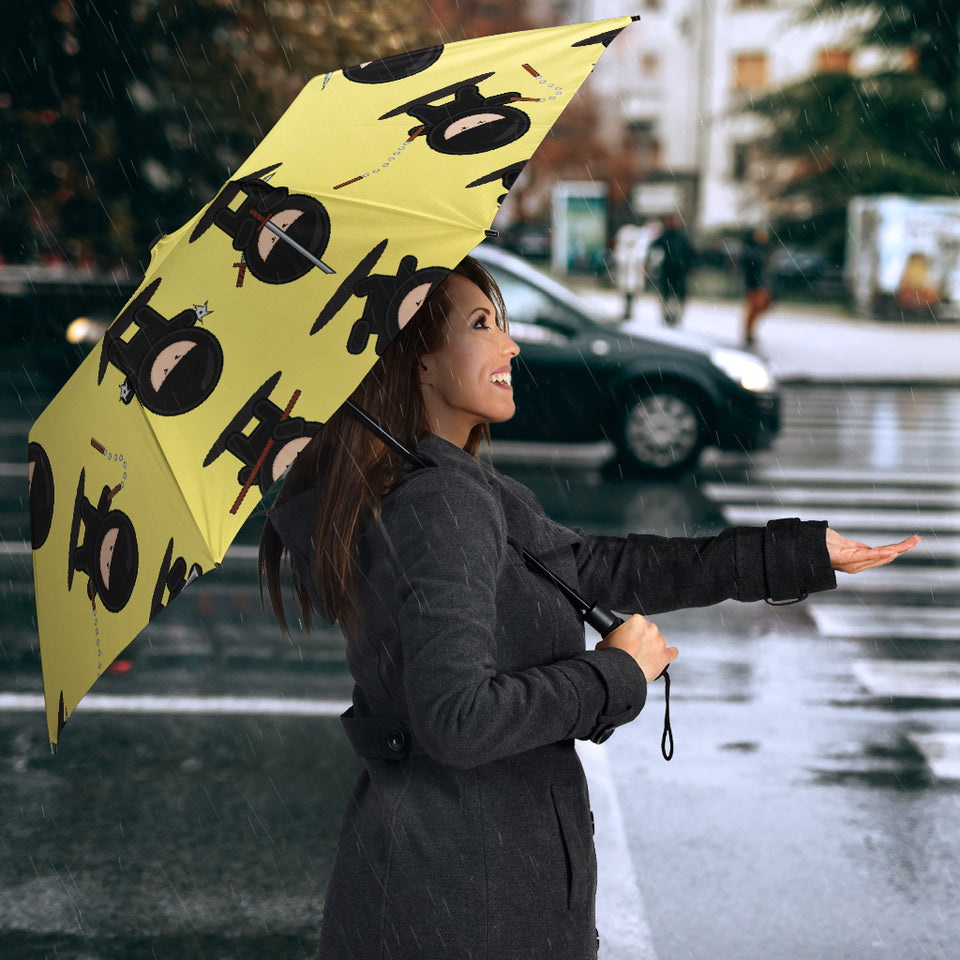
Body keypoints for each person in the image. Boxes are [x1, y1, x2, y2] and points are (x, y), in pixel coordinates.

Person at [258, 256, 920, 960]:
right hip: (466, 903)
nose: (510, 345)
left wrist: (796, 554)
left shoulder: (452, 489)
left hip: (453, 885)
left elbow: (603, 567)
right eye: (483, 325)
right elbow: (456, 719)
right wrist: (613, 674)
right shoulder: (439, 504)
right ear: (418, 363)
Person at [648, 213, 695, 327]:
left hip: (679, 271)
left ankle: (675, 316)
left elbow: (690, 253)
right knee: (667, 294)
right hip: (668, 270)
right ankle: (667, 315)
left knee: (677, 295)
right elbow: (654, 249)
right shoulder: (665, 236)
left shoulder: (681, 237)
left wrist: (690, 267)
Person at [741, 226, 772, 347]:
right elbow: (750, 265)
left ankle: (750, 331)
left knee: (762, 306)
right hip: (754, 284)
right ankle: (748, 333)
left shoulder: (763, 249)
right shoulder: (750, 250)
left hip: (763, 283)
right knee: (754, 308)